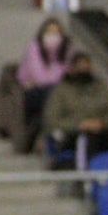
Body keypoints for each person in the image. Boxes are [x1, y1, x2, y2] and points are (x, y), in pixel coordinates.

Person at [42, 52, 108, 169]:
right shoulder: (61, 91)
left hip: (101, 128)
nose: (83, 69)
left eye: (86, 66)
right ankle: (86, 173)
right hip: (73, 132)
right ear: (72, 68)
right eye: (80, 66)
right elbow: (52, 120)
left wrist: (102, 123)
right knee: (88, 138)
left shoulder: (100, 87)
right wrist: (81, 125)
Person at [16, 17, 75, 153]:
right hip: (33, 93)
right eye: (49, 32)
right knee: (51, 93)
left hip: (58, 93)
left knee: (54, 94)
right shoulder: (34, 47)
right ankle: (55, 131)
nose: (52, 36)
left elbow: (68, 74)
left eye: (56, 33)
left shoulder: (67, 50)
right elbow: (40, 77)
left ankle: (49, 131)